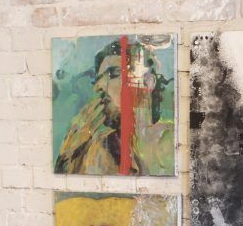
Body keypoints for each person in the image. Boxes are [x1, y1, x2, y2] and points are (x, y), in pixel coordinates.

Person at [54, 39, 174, 175]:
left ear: (147, 83)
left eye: (113, 73)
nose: (98, 86)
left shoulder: (171, 143)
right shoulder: (98, 147)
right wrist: (70, 148)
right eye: (98, 79)